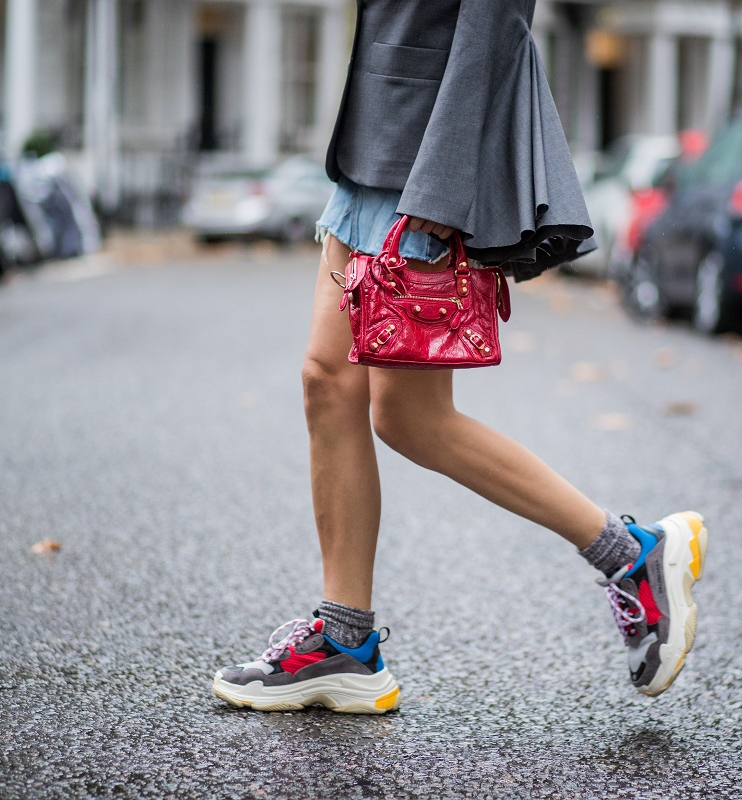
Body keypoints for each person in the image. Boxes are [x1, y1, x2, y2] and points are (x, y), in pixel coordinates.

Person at [212, 0, 708, 714]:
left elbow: (494, 20)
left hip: (424, 168)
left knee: (412, 416)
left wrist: (444, 192)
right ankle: (347, 642)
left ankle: (629, 554)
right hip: (373, 149)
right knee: (328, 383)